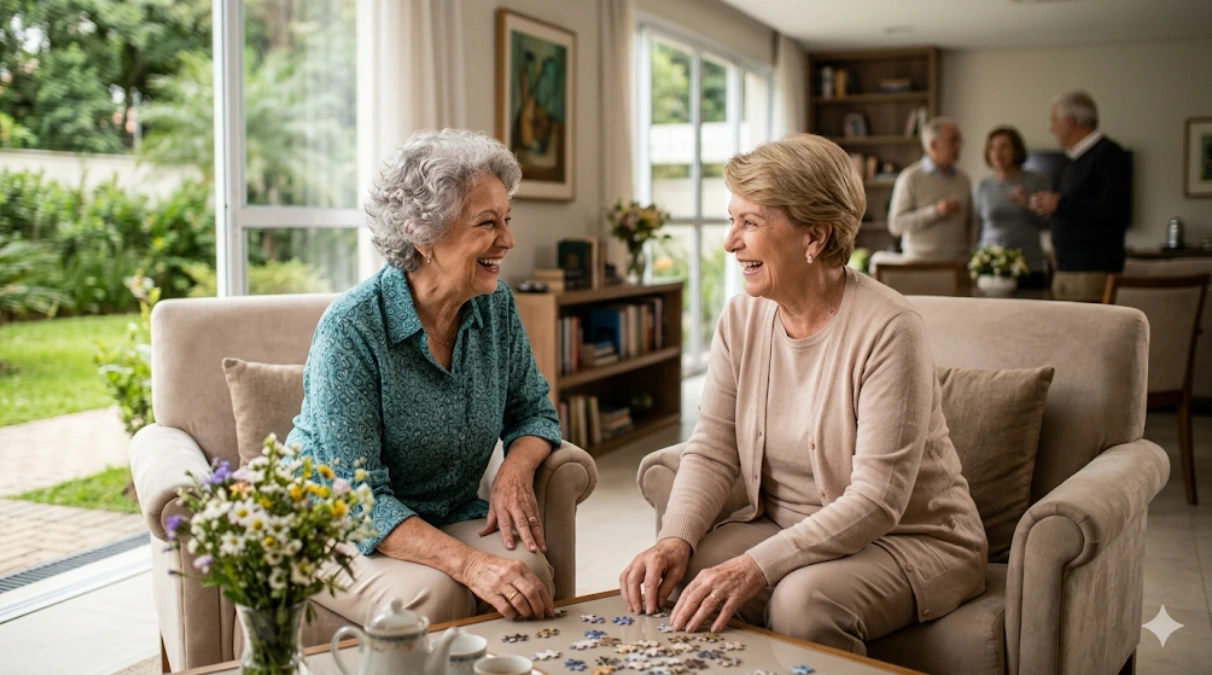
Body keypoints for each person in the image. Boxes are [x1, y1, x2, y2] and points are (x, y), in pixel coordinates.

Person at [619, 134, 987, 655]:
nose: (729, 242)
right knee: (688, 573)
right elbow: (713, 447)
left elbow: (877, 500)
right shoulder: (741, 317)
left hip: (909, 538)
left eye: (750, 223)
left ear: (815, 237)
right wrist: (673, 539)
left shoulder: (890, 328)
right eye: (732, 219)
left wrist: (754, 566)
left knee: (803, 603)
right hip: (787, 523)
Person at [288, 129, 561, 624]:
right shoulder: (352, 328)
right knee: (436, 598)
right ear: (423, 233)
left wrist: (511, 473)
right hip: (340, 527)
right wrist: (472, 565)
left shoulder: (495, 306)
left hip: (449, 511)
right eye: (487, 223)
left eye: (507, 219)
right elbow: (355, 498)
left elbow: (534, 411)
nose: (509, 239)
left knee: (529, 575)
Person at [1028, 90, 1131, 301]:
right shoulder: (1074, 161)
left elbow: (1115, 210)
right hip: (1067, 269)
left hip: (1091, 272)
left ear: (1071, 122)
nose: (1052, 128)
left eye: (1055, 121)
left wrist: (1060, 203)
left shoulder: (1110, 155)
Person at [881, 117, 974, 264]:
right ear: (933, 144)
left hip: (958, 266)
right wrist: (935, 212)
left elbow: (971, 224)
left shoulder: (964, 180)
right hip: (919, 265)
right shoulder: (910, 177)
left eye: (959, 141)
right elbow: (896, 225)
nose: (959, 147)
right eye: (953, 141)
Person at [975, 126, 1050, 288]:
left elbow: (1048, 222)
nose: (997, 153)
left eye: (1003, 147)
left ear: (1016, 150)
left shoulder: (1036, 181)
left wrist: (1028, 204)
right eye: (992, 148)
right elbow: (977, 227)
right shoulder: (983, 186)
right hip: (991, 267)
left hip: (1028, 266)